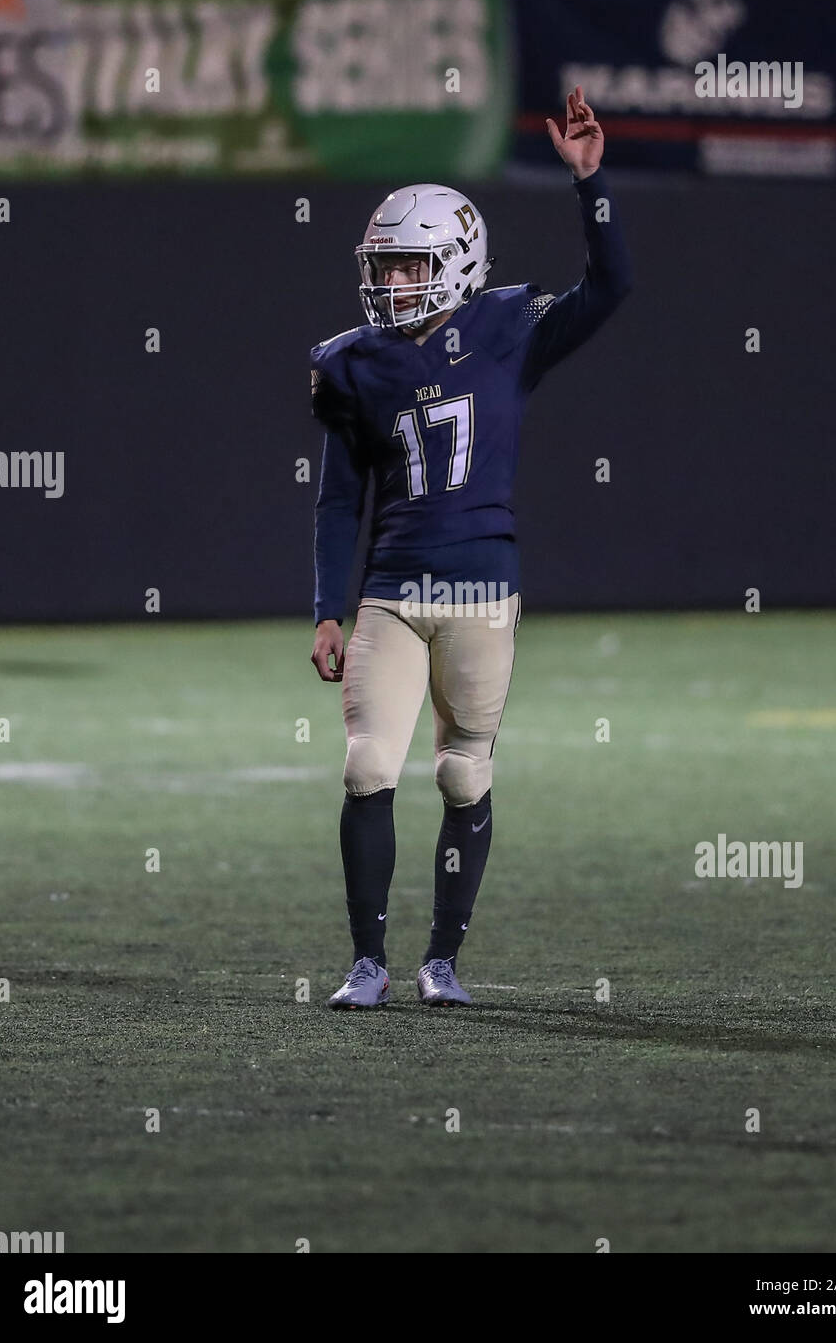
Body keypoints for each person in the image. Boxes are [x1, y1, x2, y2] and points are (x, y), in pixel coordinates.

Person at [310, 86, 632, 1009]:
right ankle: (367, 962)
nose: (393, 283)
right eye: (386, 266)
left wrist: (591, 183)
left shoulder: (506, 328)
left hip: (483, 589)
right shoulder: (353, 361)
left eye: (410, 266)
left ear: (454, 263)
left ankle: (441, 960)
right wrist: (330, 606)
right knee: (369, 764)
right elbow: (339, 499)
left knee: (462, 773)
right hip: (390, 593)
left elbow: (611, 288)